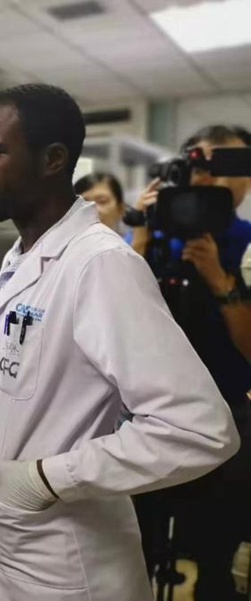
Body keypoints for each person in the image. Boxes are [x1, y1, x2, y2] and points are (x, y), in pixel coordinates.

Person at [0, 84, 238, 601]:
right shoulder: (22, 258)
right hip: (2, 538)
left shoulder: (100, 264)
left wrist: (48, 479)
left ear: (52, 159)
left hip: (58, 557)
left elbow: (199, 427)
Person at [128, 125, 251, 600]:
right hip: (150, 411)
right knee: (135, 543)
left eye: (227, 165)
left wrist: (219, 279)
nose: (210, 176)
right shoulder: (156, 235)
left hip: (226, 416)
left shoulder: (248, 243)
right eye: (200, 163)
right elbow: (115, 318)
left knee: (215, 554)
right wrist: (139, 236)